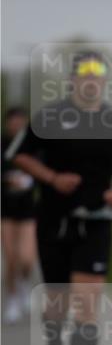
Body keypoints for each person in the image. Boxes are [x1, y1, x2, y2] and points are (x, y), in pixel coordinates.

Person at [7, 51, 112, 345]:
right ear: (72, 80)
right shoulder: (49, 116)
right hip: (54, 221)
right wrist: (51, 179)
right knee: (57, 304)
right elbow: (21, 156)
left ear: (104, 80)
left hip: (97, 222)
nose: (91, 79)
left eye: (98, 73)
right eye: (84, 73)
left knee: (86, 302)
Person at [2, 107, 37, 323]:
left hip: (27, 209)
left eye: (20, 121)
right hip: (4, 209)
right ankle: (12, 299)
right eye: (12, 121)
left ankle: (24, 284)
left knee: (27, 258)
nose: (16, 125)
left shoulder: (34, 147)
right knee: (11, 258)